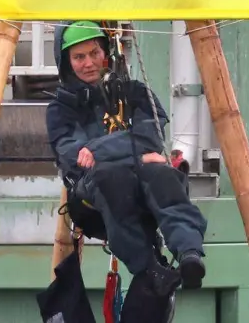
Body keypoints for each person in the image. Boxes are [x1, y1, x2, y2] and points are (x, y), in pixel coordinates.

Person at [47, 20, 208, 291]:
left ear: (106, 53)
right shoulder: (60, 109)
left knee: (165, 175)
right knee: (111, 176)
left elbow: (150, 137)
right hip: (92, 200)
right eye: (79, 57)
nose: (89, 63)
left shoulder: (135, 93)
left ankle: (189, 252)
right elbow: (74, 157)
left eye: (94, 53)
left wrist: (98, 150)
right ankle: (147, 268)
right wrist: (138, 157)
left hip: (141, 185)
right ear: (67, 61)